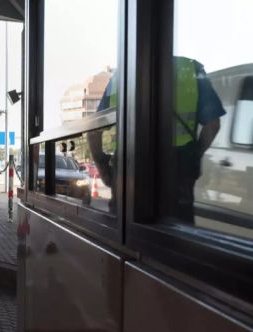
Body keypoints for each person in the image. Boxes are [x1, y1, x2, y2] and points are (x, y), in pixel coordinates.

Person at [88, 56, 224, 221]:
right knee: (176, 229)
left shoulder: (121, 76)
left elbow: (94, 130)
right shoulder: (190, 70)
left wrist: (103, 168)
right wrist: (194, 156)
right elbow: (213, 125)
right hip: (178, 166)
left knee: (125, 223)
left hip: (129, 164)